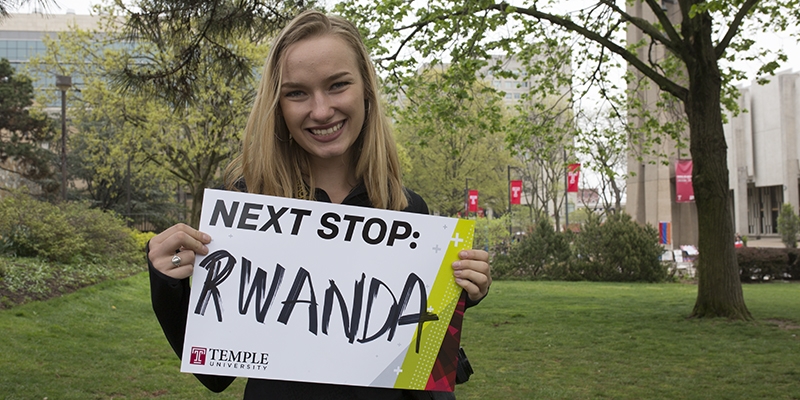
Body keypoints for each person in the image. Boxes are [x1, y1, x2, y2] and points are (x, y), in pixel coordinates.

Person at [146, 9, 492, 400]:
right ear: (277, 105)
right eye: (297, 92)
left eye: (337, 85)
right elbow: (216, 376)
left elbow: (416, 360)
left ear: (366, 89)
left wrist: (459, 292)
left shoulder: (407, 210)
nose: (322, 110)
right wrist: (167, 285)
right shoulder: (249, 207)